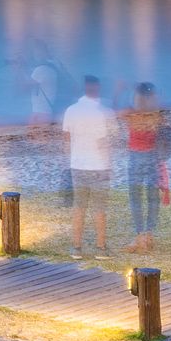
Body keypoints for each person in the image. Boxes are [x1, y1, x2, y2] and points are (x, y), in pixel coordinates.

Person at [58, 75, 115, 256]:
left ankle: (76, 247)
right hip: (100, 166)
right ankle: (101, 248)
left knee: (79, 207)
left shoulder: (71, 111)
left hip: (78, 165)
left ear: (84, 89)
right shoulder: (105, 111)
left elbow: (66, 139)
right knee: (100, 208)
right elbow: (110, 139)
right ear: (98, 88)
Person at [121, 81, 167, 254]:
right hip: (153, 156)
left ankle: (140, 235)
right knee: (152, 196)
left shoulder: (132, 113)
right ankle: (149, 235)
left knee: (136, 197)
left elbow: (116, 111)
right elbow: (165, 132)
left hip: (136, 156)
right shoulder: (157, 114)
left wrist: (119, 92)